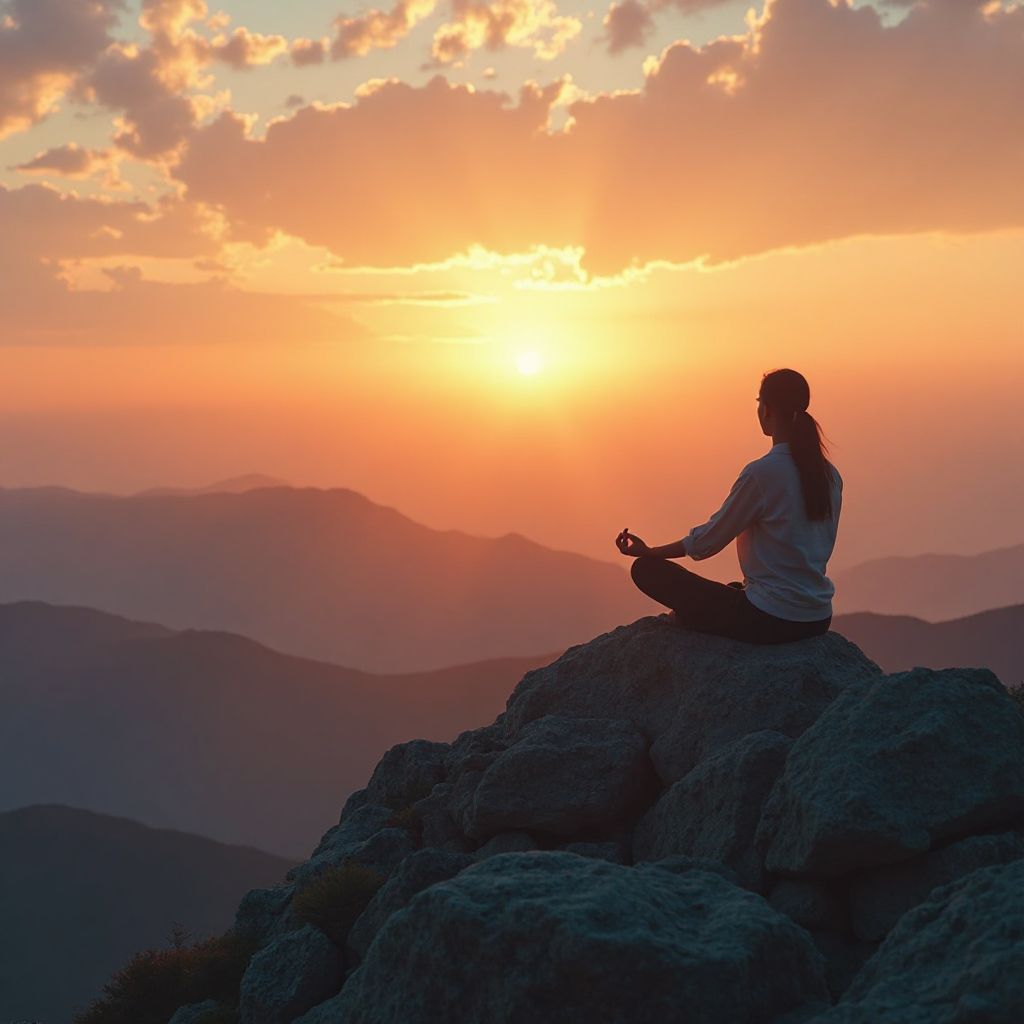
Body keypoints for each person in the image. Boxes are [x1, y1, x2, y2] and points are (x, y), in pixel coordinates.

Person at [615, 368, 842, 644]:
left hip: (770, 619)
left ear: (767, 409)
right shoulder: (829, 475)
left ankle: (693, 619)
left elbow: (708, 541)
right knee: (733, 590)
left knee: (646, 570)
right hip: (816, 618)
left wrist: (650, 552)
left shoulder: (762, 473)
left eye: (759, 402)